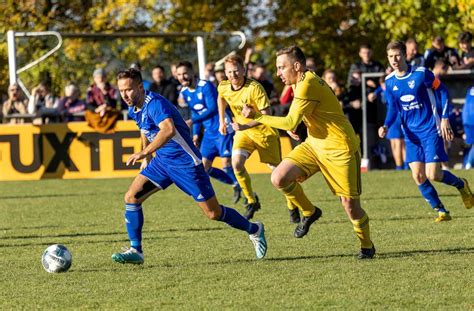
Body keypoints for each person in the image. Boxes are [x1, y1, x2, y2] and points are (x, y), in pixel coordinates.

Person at [111, 68, 267, 265]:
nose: (125, 95)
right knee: (131, 198)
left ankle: (254, 229)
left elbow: (168, 130)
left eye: (129, 89)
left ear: (140, 87)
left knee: (213, 213)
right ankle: (136, 250)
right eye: (121, 90)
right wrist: (147, 157)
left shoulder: (155, 104)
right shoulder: (135, 108)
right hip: (162, 163)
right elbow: (144, 129)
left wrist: (144, 152)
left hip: (186, 164)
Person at [242, 46, 376, 259]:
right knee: (279, 177)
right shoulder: (301, 82)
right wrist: (300, 128)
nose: (278, 73)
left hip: (340, 149)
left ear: (297, 66)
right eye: (277, 68)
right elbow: (309, 115)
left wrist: (257, 116)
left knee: (350, 205)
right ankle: (309, 211)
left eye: (281, 67)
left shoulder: (307, 84)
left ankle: (367, 246)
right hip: (314, 145)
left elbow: (289, 120)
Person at [379, 40, 473, 223]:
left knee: (433, 175)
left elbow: (443, 91)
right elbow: (392, 108)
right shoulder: (390, 82)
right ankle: (441, 211)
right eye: (390, 56)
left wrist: (445, 118)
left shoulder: (422, 74)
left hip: (431, 129)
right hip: (411, 135)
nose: (394, 59)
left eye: (397, 55)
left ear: (405, 55)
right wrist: (386, 125)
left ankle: (461, 184)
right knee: (418, 176)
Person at [217, 54, 286, 221]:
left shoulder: (255, 87)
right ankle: (251, 200)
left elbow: (267, 115)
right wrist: (222, 121)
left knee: (280, 176)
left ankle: (292, 204)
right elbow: (221, 98)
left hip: (265, 133)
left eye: (236, 71)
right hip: (244, 134)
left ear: (243, 70)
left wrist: (245, 124)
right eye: (229, 72)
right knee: (236, 164)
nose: (233, 75)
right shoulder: (224, 86)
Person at [176, 61, 242, 203]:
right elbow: (196, 111)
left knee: (227, 164)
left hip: (222, 127)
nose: (182, 77)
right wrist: (195, 133)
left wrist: (193, 120)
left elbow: (212, 108)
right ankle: (236, 184)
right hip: (209, 133)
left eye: (185, 73)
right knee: (204, 168)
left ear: (193, 73)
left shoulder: (205, 86)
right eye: (179, 75)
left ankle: (246, 193)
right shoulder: (185, 92)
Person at [368, 74, 407, 170]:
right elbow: (377, 92)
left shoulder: (392, 89)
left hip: (396, 117)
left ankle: (402, 166)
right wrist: (375, 92)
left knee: (399, 142)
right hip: (390, 118)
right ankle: (401, 165)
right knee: (394, 142)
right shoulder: (383, 89)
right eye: (382, 85)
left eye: (384, 85)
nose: (383, 87)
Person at [463, 86, 474, 169]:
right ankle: (468, 164)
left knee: (470, 144)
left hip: (466, 118)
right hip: (471, 118)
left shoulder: (469, 89)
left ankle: (467, 164)